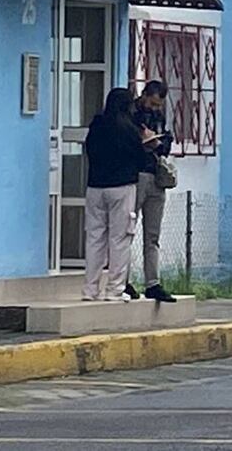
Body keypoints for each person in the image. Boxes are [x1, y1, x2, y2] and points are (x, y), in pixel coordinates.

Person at [83, 88, 155, 302]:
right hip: (122, 187)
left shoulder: (97, 125)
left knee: (95, 238)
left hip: (95, 187)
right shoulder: (129, 129)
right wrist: (148, 144)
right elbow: (141, 160)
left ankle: (90, 289)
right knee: (120, 238)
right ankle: (115, 289)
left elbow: (89, 150)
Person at [131, 80, 177, 303]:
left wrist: (158, 144)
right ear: (144, 95)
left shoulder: (160, 116)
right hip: (137, 174)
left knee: (153, 236)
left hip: (156, 175)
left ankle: (153, 283)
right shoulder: (132, 112)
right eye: (152, 102)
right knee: (127, 231)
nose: (155, 108)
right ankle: (122, 280)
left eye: (159, 104)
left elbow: (167, 143)